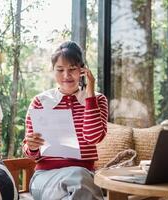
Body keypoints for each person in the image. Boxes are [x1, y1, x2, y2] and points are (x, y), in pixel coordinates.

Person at [22, 41, 108, 200]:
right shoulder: (40, 101)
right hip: (45, 178)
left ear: (82, 69)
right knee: (81, 182)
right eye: (60, 70)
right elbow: (29, 152)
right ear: (53, 70)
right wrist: (32, 146)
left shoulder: (97, 99)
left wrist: (89, 92)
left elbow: (93, 137)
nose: (66, 76)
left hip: (84, 176)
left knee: (79, 183)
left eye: (72, 69)